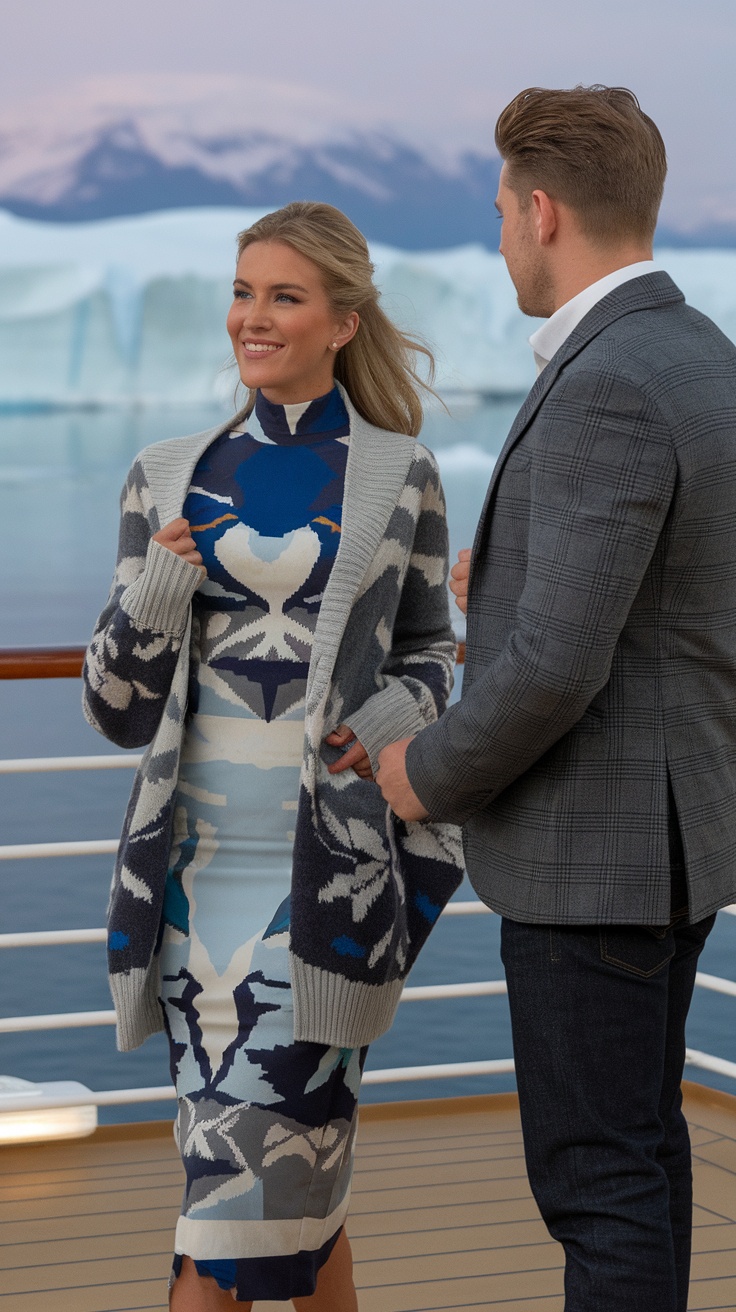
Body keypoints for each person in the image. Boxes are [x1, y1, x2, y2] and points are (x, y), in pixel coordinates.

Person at [376, 86, 736, 1312]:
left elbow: (552, 672)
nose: (497, 242)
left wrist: (422, 770)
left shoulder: (606, 380)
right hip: (674, 838)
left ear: (541, 211)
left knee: (596, 1185)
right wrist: (517, 572)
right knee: (640, 1153)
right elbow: (676, 594)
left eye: (497, 216)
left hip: (598, 854)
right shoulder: (697, 354)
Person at [82, 200, 464, 1311]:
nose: (253, 317)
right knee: (251, 1195)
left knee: (269, 1194)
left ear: (343, 320)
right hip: (192, 892)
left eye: (284, 296)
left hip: (328, 890)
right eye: (243, 292)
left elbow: (434, 649)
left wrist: (387, 720)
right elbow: (114, 707)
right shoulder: (164, 475)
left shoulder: (403, 475)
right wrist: (157, 585)